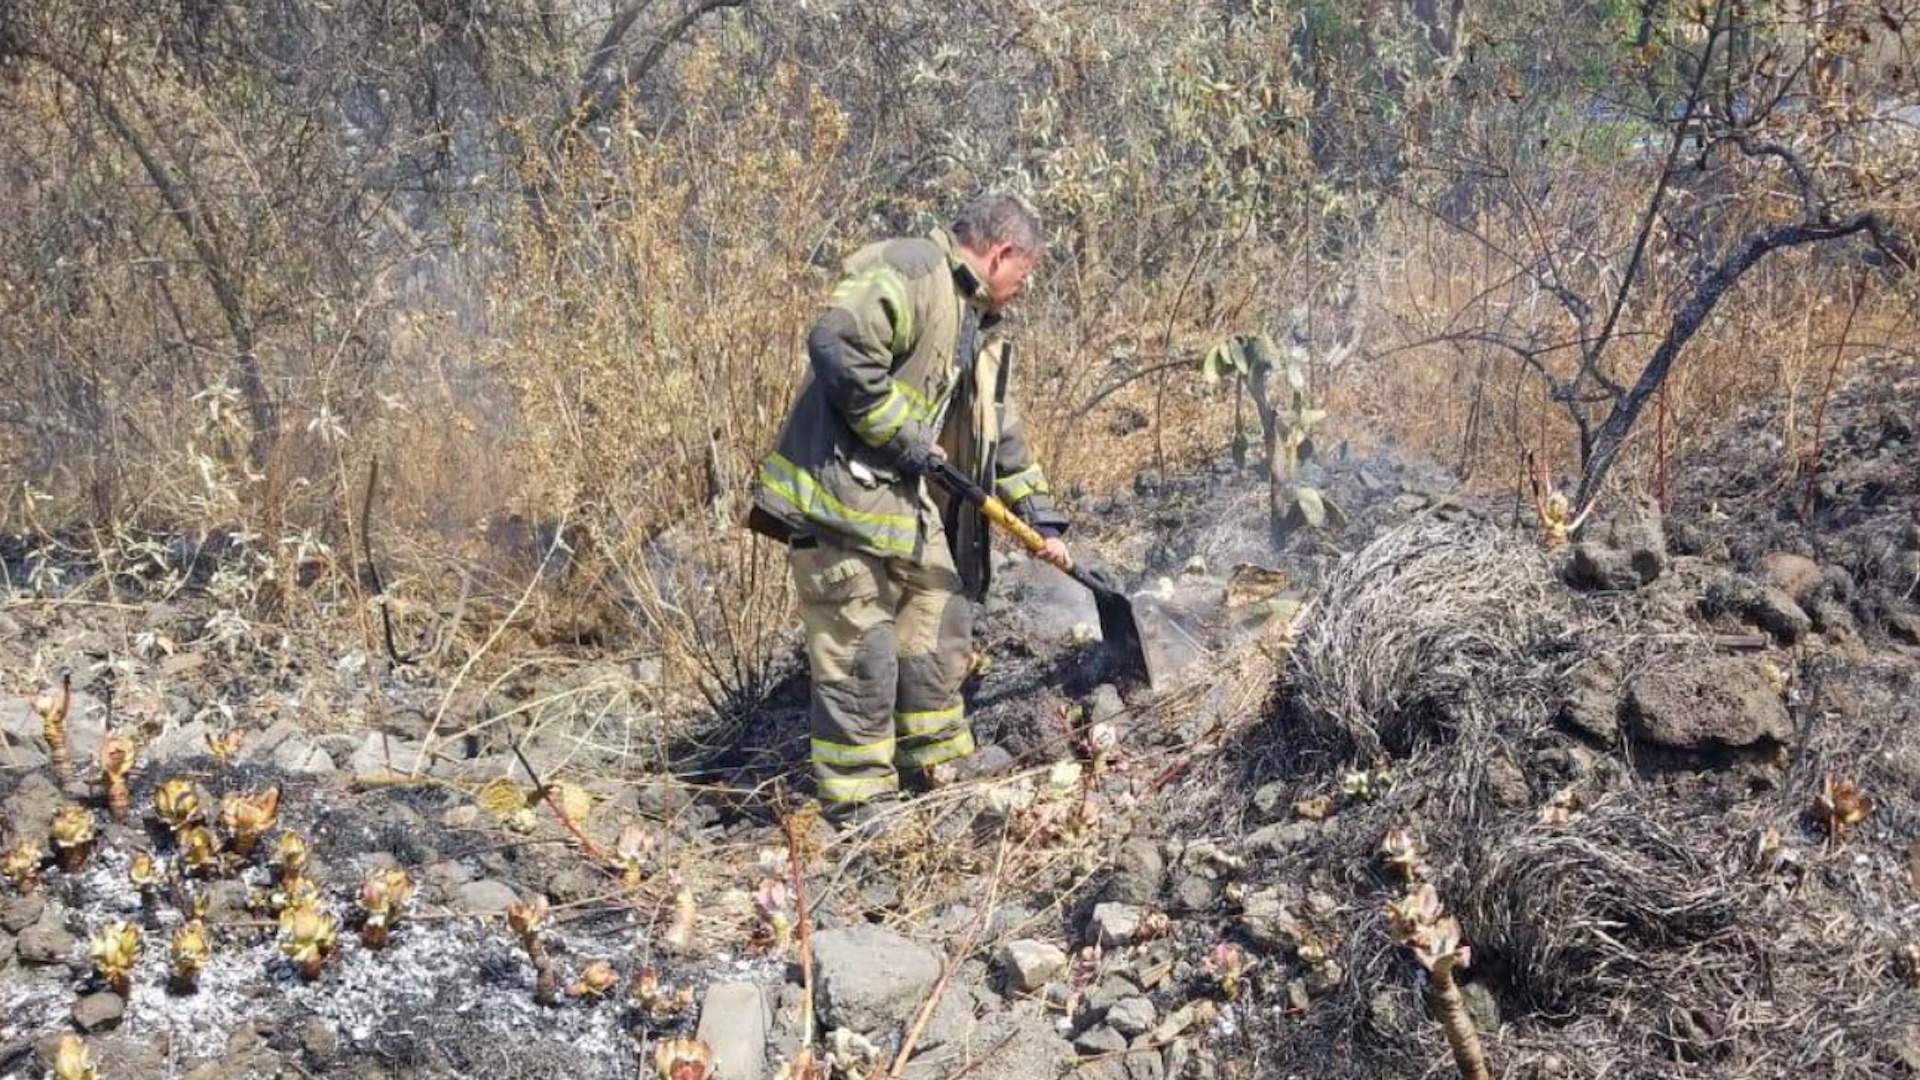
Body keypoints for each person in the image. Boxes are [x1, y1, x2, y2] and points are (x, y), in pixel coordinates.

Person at [746, 193, 1072, 820]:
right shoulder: (915, 269)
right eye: (1024, 274)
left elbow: (998, 432)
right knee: (861, 656)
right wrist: (903, 433)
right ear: (1001, 253)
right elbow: (836, 343)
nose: (1023, 290)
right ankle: (861, 807)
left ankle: (936, 769)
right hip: (838, 505)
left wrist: (1040, 514)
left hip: (899, 507)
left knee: (941, 616)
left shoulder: (975, 325)